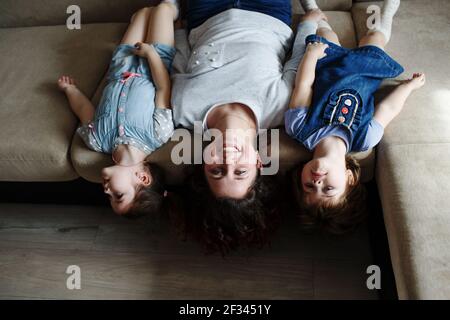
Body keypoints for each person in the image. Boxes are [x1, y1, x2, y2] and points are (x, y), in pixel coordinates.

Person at [171, 0, 327, 253]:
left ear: (203, 163)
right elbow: (297, 59)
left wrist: (178, 32)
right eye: (240, 172)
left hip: (206, 14)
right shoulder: (279, 108)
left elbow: (181, 60)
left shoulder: (183, 109)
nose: (229, 160)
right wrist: (308, 23)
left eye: (217, 171)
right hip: (268, 12)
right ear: (257, 162)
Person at [285, 0, 426, 233]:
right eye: (328, 189)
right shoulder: (364, 139)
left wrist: (311, 55)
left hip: (327, 64)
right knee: (374, 39)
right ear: (350, 179)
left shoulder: (299, 128)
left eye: (308, 187)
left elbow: (304, 85)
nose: (317, 183)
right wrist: (408, 87)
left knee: (326, 32)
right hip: (365, 71)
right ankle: (388, 12)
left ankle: (311, 7)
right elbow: (388, 109)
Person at [57, 1, 179, 216]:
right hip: (156, 60)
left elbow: (84, 109)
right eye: (118, 195)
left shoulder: (96, 140)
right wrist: (151, 54)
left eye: (109, 198)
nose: (106, 190)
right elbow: (162, 88)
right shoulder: (157, 134)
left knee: (142, 13)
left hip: (121, 64)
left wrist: (70, 90)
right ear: (143, 178)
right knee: (162, 10)